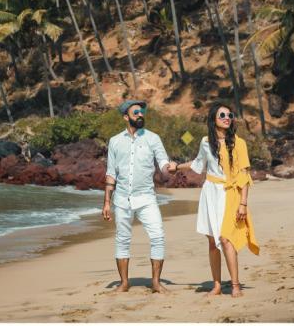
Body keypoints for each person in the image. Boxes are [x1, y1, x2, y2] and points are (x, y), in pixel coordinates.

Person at [171, 102, 259, 297]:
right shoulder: (205, 142)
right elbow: (197, 164)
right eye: (222, 115)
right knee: (212, 242)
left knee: (226, 239)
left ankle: (235, 285)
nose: (227, 118)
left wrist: (243, 203)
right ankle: (217, 285)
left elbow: (244, 175)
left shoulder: (239, 143)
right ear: (213, 120)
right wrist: (176, 167)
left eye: (230, 114)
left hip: (230, 194)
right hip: (210, 192)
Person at [102, 99, 177, 294]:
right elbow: (111, 173)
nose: (140, 115)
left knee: (158, 236)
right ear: (126, 117)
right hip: (121, 199)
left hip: (146, 198)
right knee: (122, 240)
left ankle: (156, 283)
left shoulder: (153, 138)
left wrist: (168, 168)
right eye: (136, 112)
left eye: (142, 111)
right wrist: (107, 202)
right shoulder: (115, 141)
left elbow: (162, 161)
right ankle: (124, 283)